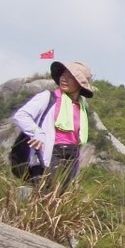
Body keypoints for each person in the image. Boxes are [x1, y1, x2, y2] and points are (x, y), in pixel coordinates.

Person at [11, 58, 95, 192]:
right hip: (48, 154)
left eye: (71, 77)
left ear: (80, 83)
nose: (64, 79)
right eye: (63, 74)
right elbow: (21, 115)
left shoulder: (81, 107)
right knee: (45, 195)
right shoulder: (48, 97)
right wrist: (37, 133)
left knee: (62, 197)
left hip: (71, 156)